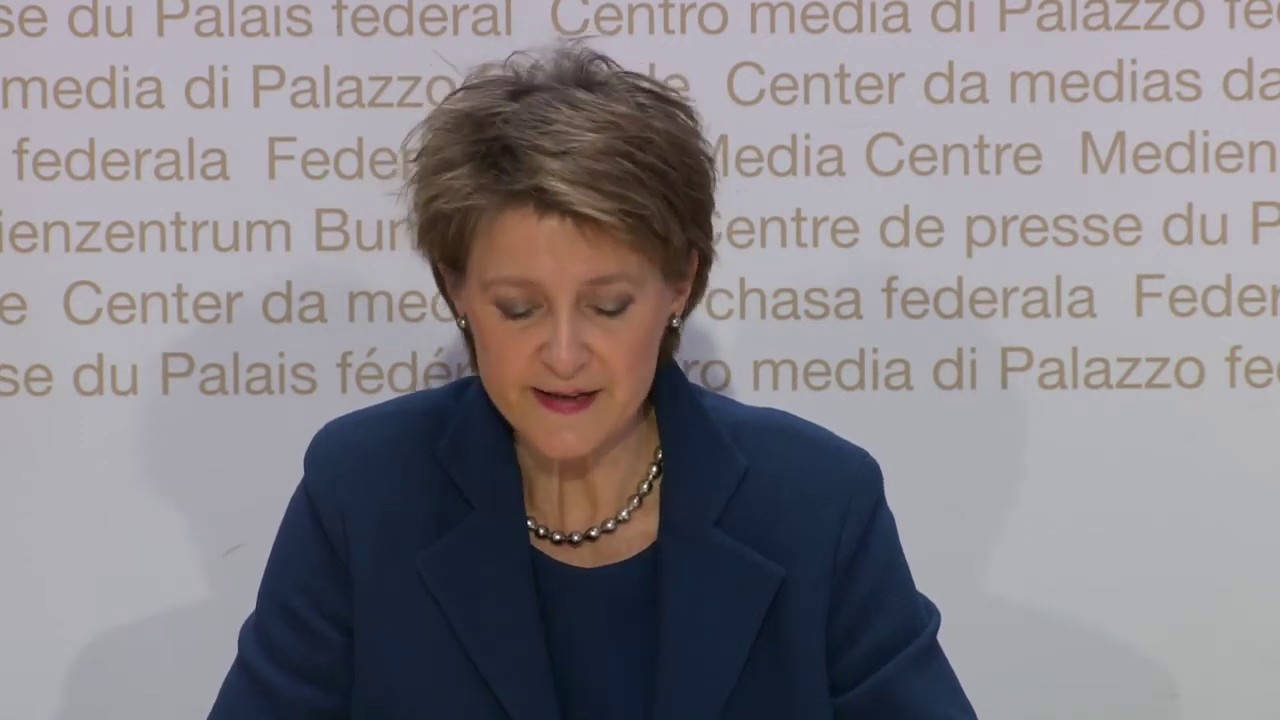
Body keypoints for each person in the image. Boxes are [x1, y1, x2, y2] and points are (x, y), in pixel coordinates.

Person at [207, 42, 978, 720]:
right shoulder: (364, 493)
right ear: (455, 289)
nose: (564, 354)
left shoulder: (816, 502)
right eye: (519, 309)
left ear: (680, 285)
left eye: (608, 307)